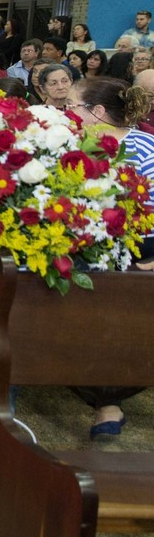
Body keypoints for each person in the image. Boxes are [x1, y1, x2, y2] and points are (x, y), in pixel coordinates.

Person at [63, 77, 154, 436]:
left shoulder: (143, 149)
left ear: (96, 111)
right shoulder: (70, 144)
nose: (65, 113)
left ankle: (108, 401)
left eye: (71, 106)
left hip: (142, 249)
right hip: (89, 247)